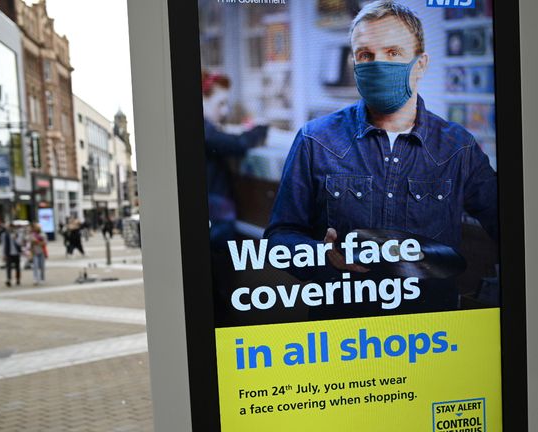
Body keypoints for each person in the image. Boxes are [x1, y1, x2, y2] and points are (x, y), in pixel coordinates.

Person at [263, 0, 498, 317]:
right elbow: (279, 238)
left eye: (393, 53)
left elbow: (510, 224)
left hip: (433, 333)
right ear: (355, 63)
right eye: (365, 55)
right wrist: (319, 254)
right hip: (343, 329)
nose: (378, 64)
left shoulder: (457, 147)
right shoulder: (315, 140)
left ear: (421, 64)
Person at [203, 71, 268, 246]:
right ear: (202, 99)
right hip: (216, 214)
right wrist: (260, 128)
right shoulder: (205, 130)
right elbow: (239, 144)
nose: (225, 111)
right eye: (220, 104)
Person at [1, 222, 23, 286]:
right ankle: (9, 280)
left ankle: (18, 279)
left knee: (17, 267)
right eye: (9, 227)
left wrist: (15, 238)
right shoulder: (4, 234)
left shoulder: (17, 234)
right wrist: (3, 254)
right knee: (8, 267)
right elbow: (4, 245)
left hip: (16, 253)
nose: (10, 228)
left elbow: (19, 243)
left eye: (12, 227)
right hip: (8, 253)